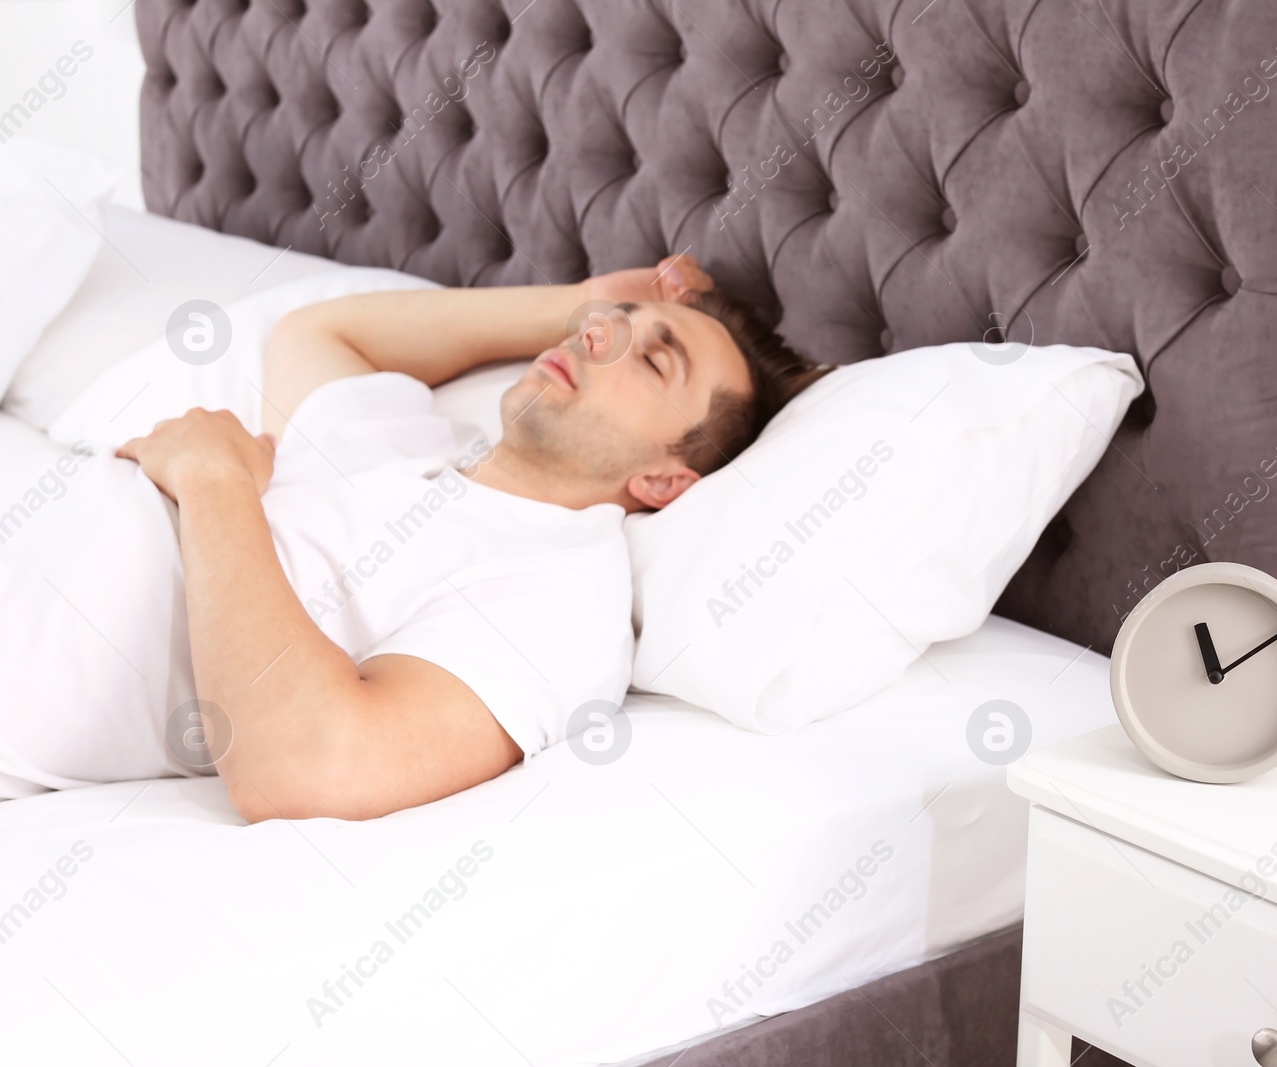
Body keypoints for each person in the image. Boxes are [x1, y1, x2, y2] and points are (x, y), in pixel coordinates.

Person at [0, 256, 823, 820]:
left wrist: (214, 481)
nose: (599, 337)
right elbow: (325, 334)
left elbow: (309, 764)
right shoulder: (404, 444)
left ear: (665, 480)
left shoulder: (561, 600)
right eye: (613, 322)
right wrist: (579, 297)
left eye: (654, 362)